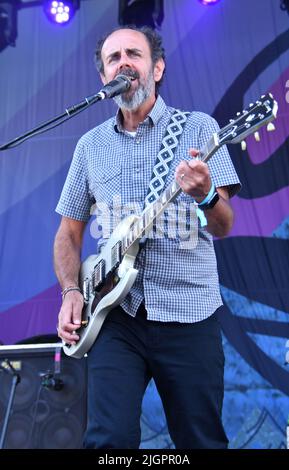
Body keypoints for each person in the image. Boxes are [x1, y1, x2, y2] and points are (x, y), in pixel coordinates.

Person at [54, 25, 241, 449]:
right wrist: (70, 290)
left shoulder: (198, 129)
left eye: (133, 55)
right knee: (108, 442)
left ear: (157, 68)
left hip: (189, 309)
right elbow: (68, 232)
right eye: (113, 58)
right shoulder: (90, 146)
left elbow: (224, 225)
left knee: (201, 442)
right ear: (104, 78)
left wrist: (206, 194)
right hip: (115, 316)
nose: (124, 63)